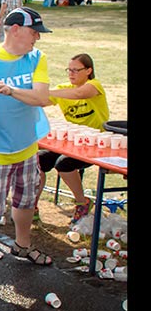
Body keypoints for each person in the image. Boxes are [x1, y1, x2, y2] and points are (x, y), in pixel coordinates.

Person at [0, 6, 54, 297]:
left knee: (26, 201)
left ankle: (22, 245)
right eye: (34, 32)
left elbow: (42, 97)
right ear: (15, 30)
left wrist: (10, 91)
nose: (37, 38)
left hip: (26, 146)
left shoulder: (36, 58)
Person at [36, 53, 108, 224]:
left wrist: (47, 91)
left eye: (76, 70)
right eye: (69, 70)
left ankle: (82, 202)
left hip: (96, 143)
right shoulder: (64, 88)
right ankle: (32, 205)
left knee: (64, 164)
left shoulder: (94, 86)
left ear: (88, 70)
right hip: (71, 142)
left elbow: (80, 94)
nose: (71, 73)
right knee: (38, 161)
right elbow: (41, 100)